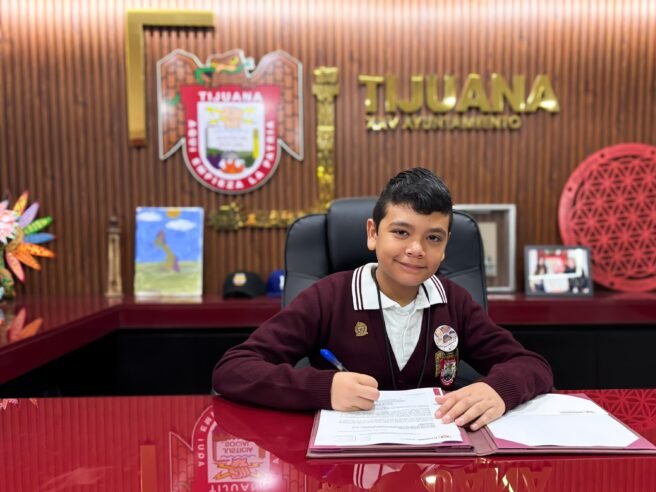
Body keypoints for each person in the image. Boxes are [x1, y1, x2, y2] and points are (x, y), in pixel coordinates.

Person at [212, 167, 553, 430]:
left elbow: (532, 365)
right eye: (401, 232)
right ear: (373, 234)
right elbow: (233, 369)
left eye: (433, 238)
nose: (416, 249)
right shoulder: (328, 297)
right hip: (345, 469)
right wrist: (322, 388)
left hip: (435, 465)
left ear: (446, 245)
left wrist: (499, 389)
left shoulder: (453, 301)